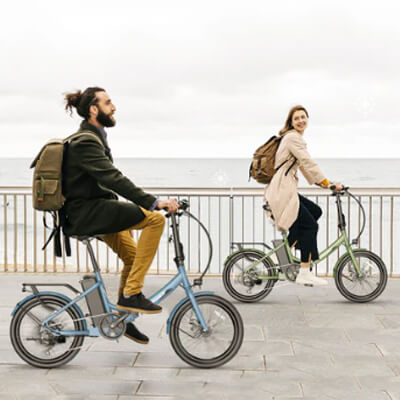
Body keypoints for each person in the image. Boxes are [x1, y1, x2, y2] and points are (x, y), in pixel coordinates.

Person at [62, 87, 179, 344]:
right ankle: (131, 294)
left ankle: (123, 318)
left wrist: (124, 217)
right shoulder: (86, 141)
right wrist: (154, 202)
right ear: (94, 109)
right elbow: (112, 178)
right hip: (88, 214)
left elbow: (103, 183)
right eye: (108, 102)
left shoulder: (95, 138)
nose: (113, 107)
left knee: (133, 256)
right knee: (155, 219)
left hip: (96, 211)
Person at [264, 105, 342, 286]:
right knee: (310, 226)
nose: (301, 121)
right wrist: (327, 183)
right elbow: (307, 162)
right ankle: (304, 271)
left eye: (303, 117)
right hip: (282, 190)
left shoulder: (293, 138)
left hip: (285, 189)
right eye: (296, 118)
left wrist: (326, 185)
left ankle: (282, 255)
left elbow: (305, 169)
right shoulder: (293, 138)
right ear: (291, 123)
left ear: (308, 119)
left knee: (315, 211)